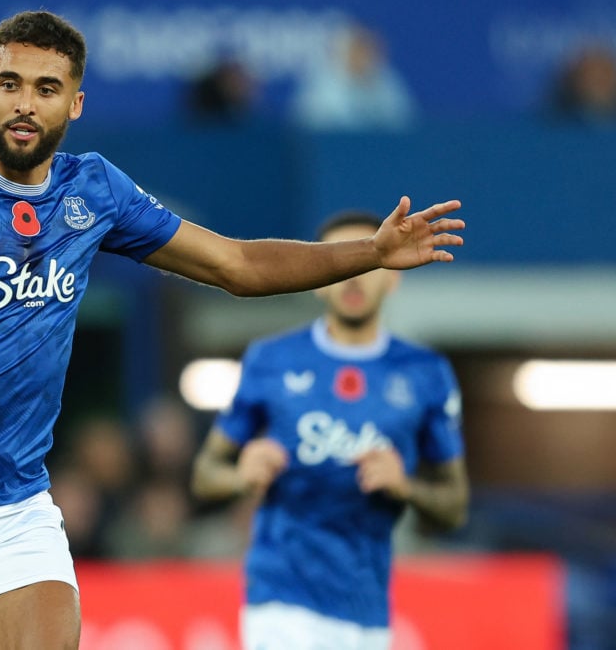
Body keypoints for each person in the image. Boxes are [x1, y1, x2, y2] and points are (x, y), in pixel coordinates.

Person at [0, 9, 465, 650]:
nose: (25, 103)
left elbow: (236, 263)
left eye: (46, 88)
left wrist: (369, 253)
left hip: (11, 506)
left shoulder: (95, 193)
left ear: (75, 104)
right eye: (10, 84)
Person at [190, 209, 469, 650]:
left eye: (370, 263)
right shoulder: (271, 360)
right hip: (280, 597)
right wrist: (240, 475)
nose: (354, 279)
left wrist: (406, 487)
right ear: (318, 279)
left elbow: (453, 507)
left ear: (393, 277)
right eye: (343, 264)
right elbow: (205, 477)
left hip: (367, 606)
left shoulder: (425, 373)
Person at [290, 24, 415, 131]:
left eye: (368, 50)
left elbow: (403, 123)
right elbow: (305, 126)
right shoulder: (322, 86)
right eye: (358, 49)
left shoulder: (388, 82)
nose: (364, 56)